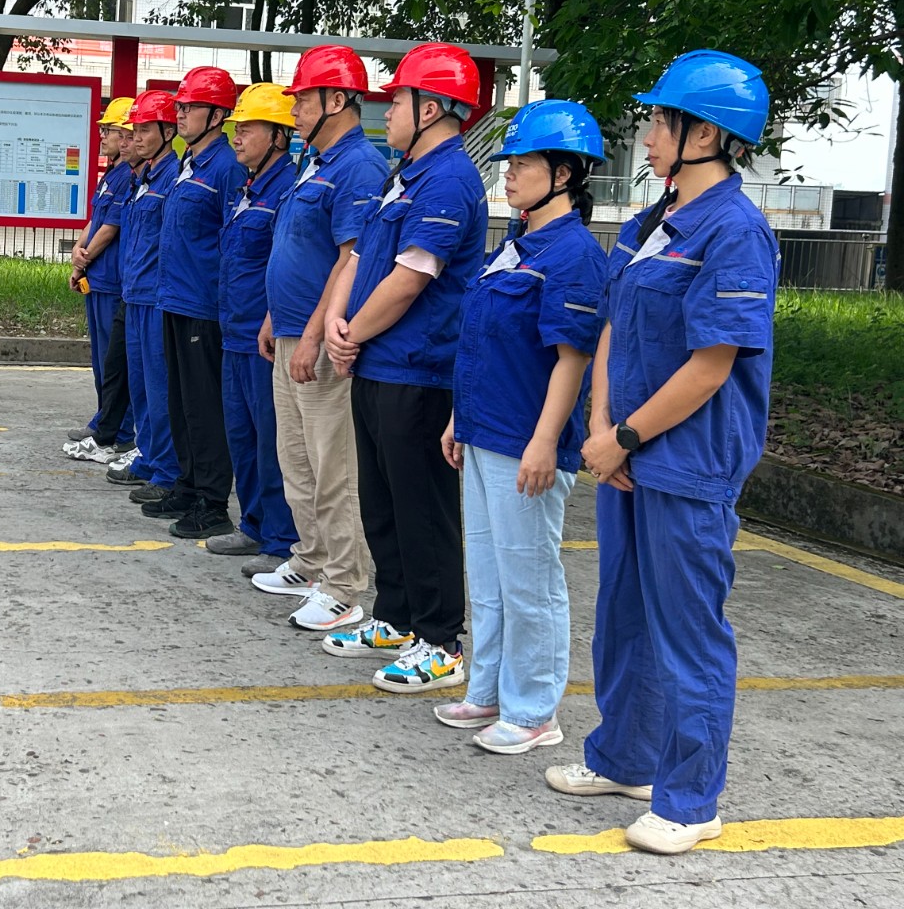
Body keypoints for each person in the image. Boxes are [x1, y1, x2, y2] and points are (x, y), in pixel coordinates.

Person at [547, 51, 778, 856]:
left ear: (704, 135)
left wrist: (625, 436)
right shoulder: (654, 222)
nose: (646, 137)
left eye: (658, 122)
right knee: (624, 617)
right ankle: (624, 759)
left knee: (687, 634)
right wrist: (602, 427)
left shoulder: (736, 231)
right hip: (627, 454)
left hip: (687, 463)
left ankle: (689, 800)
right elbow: (614, 323)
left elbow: (712, 365)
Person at [434, 100, 609, 755]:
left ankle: (535, 710)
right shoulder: (517, 245)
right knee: (489, 573)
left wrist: (544, 442)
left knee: (530, 579)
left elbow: (573, 357)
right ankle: (489, 691)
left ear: (564, 174)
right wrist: (460, 416)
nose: (508, 173)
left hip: (525, 442)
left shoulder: (574, 256)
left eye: (523, 163)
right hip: (485, 431)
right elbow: (484, 340)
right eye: (508, 163)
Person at [323, 42, 488, 686]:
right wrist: (341, 327)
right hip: (378, 362)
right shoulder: (406, 174)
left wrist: (350, 334)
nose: (387, 111)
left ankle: (441, 638)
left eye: (398, 100)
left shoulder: (449, 179)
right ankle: (396, 615)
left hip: (418, 368)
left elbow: (412, 277)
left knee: (423, 507)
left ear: (433, 108)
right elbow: (362, 258)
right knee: (383, 501)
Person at [250, 45, 389, 630]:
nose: (295, 110)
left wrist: (310, 335)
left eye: (304, 99)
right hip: (289, 330)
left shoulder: (359, 167)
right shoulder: (316, 162)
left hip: (320, 340)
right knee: (297, 457)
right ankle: (311, 561)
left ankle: (345, 584)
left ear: (337, 100)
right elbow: (297, 249)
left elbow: (349, 259)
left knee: (334, 465)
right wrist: (274, 317)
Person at [207, 83, 301, 572]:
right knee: (241, 436)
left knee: (271, 440)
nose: (237, 137)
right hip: (234, 330)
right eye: (235, 128)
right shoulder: (249, 188)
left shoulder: (286, 189)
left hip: (263, 337)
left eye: (247, 128)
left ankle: (281, 539)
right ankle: (253, 524)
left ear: (279, 137)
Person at [152, 67, 247, 539]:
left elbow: (233, 239)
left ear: (217, 115)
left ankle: (212, 501)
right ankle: (187, 485)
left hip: (203, 305)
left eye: (190, 107)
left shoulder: (227, 168)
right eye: (181, 106)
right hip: (175, 298)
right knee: (182, 401)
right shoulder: (189, 163)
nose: (181, 113)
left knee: (205, 406)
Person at [116, 90, 183, 507]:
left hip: (156, 297)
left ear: (168, 132)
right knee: (141, 386)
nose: (136, 138)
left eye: (144, 130)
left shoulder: (172, 176)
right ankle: (149, 455)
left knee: (160, 389)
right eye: (134, 130)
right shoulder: (146, 177)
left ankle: (167, 468)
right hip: (135, 294)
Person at [65, 96, 137, 462]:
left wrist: (85, 256)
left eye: (109, 130)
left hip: (111, 280)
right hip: (97, 277)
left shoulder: (128, 177)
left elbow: (111, 227)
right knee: (101, 359)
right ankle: (104, 418)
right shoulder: (112, 175)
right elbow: (96, 219)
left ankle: (120, 428)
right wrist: (78, 253)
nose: (104, 136)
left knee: (113, 361)